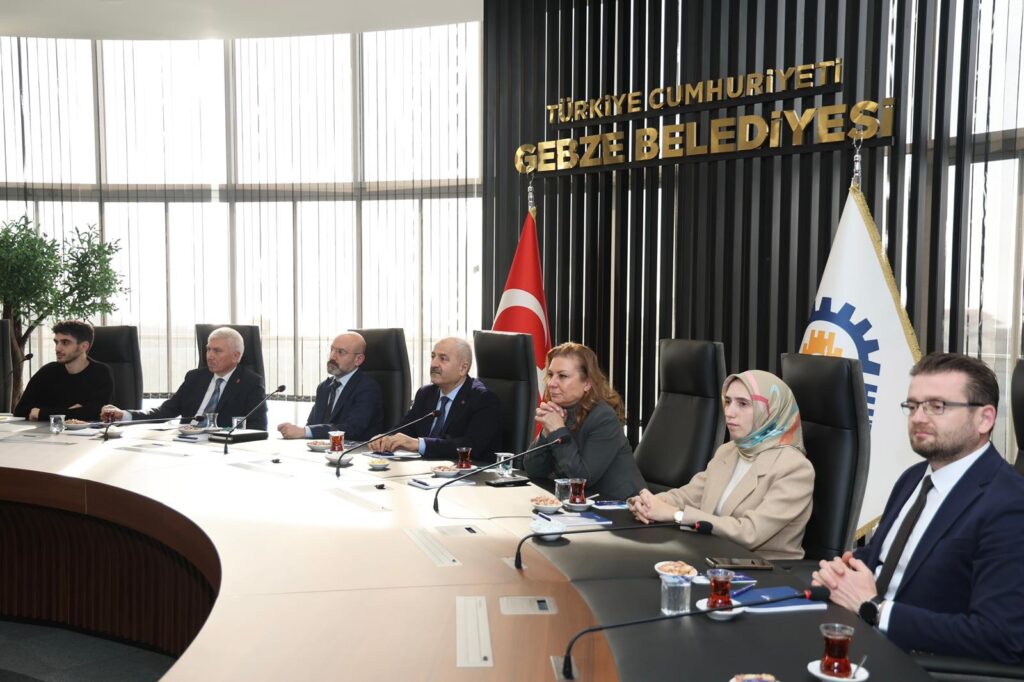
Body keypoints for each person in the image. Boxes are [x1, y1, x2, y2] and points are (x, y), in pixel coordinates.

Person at [812, 352, 1024, 664]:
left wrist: (875, 609)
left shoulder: (1010, 503)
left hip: (917, 663)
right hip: (858, 639)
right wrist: (841, 573)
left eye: (937, 406)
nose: (919, 418)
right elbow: (881, 558)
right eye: (913, 406)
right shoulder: (913, 478)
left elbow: (999, 637)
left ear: (985, 419)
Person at [628, 370, 814, 560]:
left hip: (761, 568)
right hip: (711, 555)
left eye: (743, 404)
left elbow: (750, 533)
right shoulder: (729, 450)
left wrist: (677, 515)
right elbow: (689, 496)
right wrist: (649, 503)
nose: (729, 412)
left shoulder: (795, 468)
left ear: (770, 410)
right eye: (728, 401)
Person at [522, 342, 645, 500]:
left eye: (563, 376)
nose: (551, 383)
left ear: (587, 383)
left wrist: (558, 430)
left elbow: (581, 479)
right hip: (579, 504)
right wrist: (547, 432)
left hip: (621, 507)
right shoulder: (559, 410)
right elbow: (533, 470)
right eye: (551, 375)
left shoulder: (604, 417)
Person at [101, 327, 268, 430]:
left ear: (235, 356)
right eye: (208, 349)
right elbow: (165, 412)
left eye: (217, 351)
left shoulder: (251, 383)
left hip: (220, 447)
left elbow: (258, 427)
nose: (209, 355)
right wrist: (125, 415)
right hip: (185, 443)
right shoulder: (195, 377)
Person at [370, 337, 501, 462]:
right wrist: (386, 438)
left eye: (443, 359)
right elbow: (406, 428)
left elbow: (471, 445)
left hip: (465, 472)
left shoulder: (483, 398)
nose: (433, 364)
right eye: (433, 356)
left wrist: (419, 444)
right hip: (425, 469)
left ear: (463, 368)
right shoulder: (425, 394)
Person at [276, 332, 382, 441]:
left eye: (340, 352)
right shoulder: (324, 387)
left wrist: (304, 432)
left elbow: (352, 429)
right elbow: (312, 425)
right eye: (332, 350)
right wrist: (297, 432)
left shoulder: (367, 388)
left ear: (358, 359)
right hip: (322, 449)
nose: (332, 356)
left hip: (354, 450)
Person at [13, 320, 113, 422]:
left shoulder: (100, 373)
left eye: (65, 342)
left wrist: (42, 413)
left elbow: (95, 413)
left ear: (84, 346)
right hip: (46, 431)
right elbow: (20, 410)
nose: (57, 348)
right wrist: (71, 412)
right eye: (56, 342)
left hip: (84, 432)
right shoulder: (48, 371)